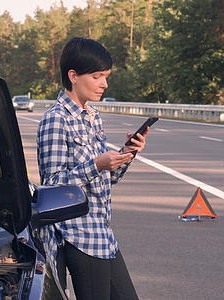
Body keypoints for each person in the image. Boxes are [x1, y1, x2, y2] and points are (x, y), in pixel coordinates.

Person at [37, 37, 147, 300]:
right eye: (97, 76)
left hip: (101, 231)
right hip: (77, 235)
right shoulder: (55, 120)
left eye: (106, 76)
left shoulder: (92, 116)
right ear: (73, 75)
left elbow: (105, 178)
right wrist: (96, 164)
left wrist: (126, 155)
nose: (104, 84)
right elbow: (52, 185)